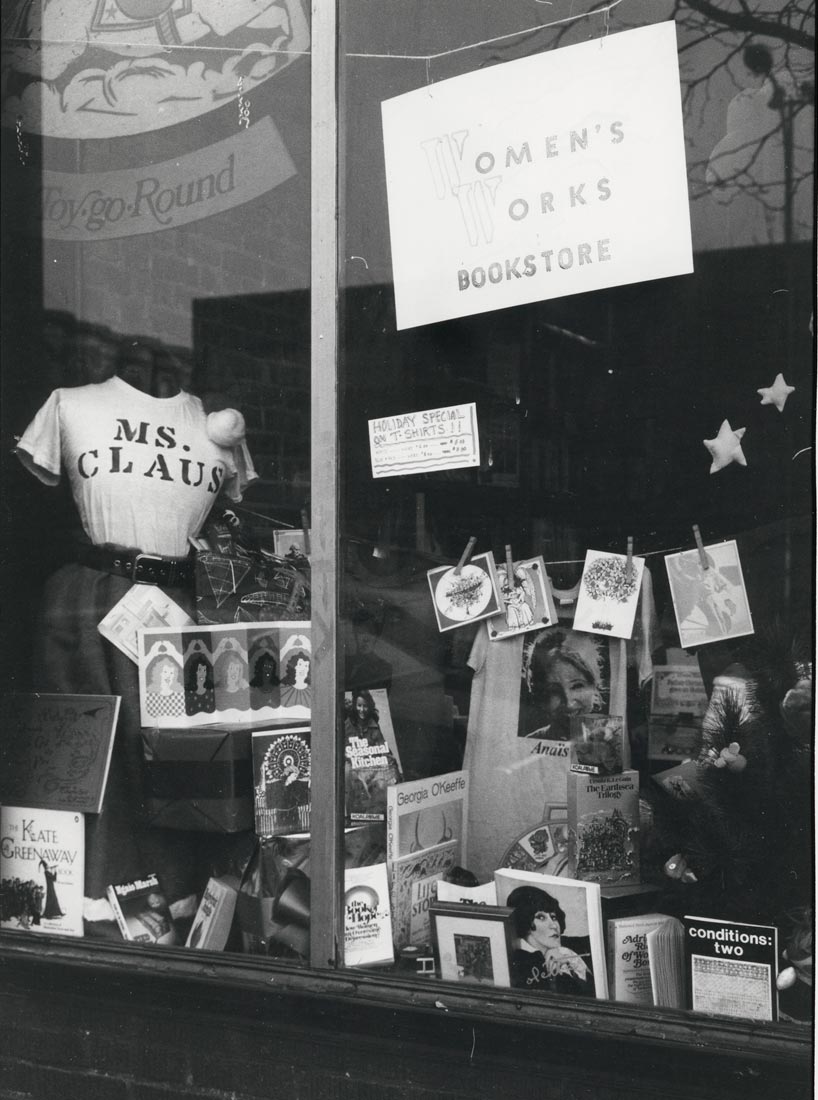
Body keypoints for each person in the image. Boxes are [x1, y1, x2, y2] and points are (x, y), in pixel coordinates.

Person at [506, 885, 594, 996]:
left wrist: (569, 957)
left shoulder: (567, 946)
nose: (554, 925)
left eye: (553, 917)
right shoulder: (521, 961)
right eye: (541, 917)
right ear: (525, 921)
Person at [521, 628, 606, 739]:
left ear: (594, 686)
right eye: (554, 690)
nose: (569, 704)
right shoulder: (531, 741)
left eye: (577, 686)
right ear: (540, 694)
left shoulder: (611, 738)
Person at [184, 651, 215, 716]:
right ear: (194, 672)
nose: (202, 674)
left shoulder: (211, 691)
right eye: (199, 670)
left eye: (204, 670)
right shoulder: (189, 693)